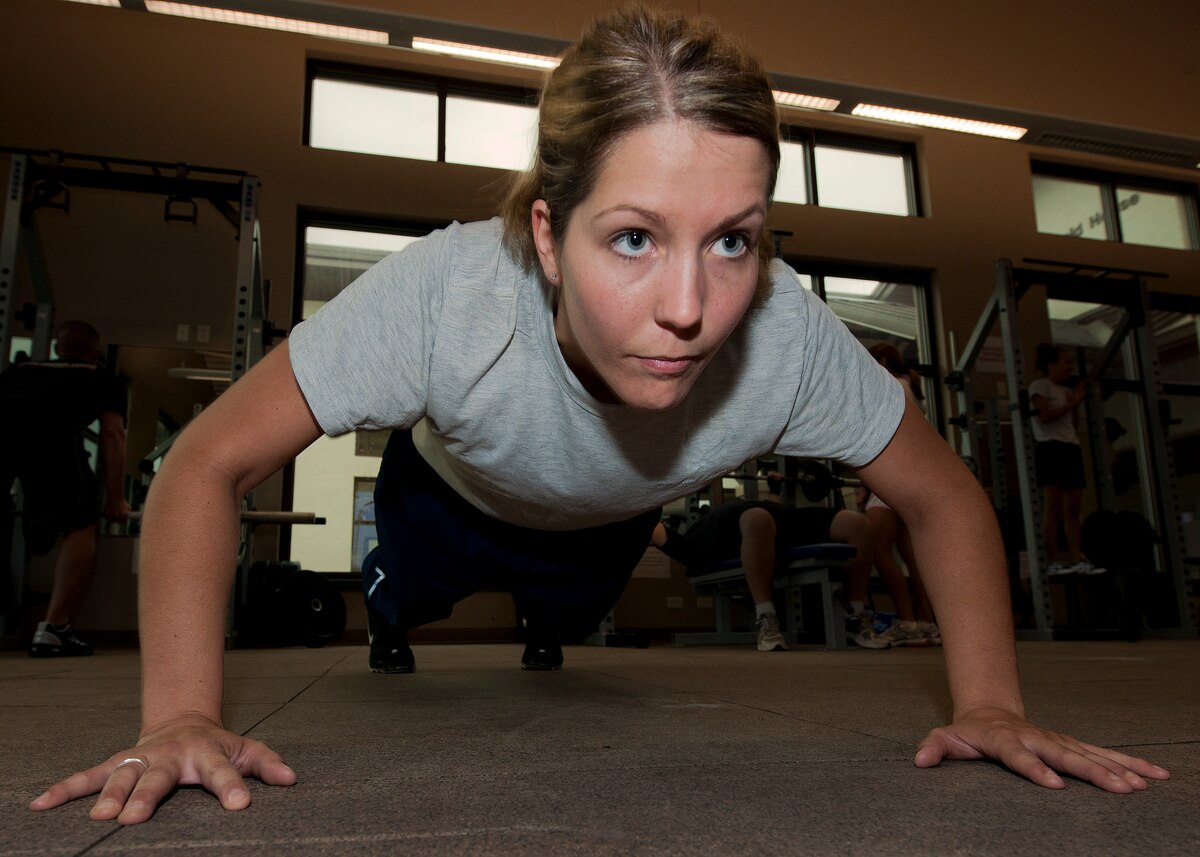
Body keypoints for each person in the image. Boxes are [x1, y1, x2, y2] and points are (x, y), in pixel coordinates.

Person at [30, 6, 1168, 826]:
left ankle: (547, 606)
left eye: (734, 237)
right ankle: (393, 617)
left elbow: (943, 493)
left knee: (560, 631)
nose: (690, 308)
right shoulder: (442, 296)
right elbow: (207, 463)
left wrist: (991, 700)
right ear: (542, 232)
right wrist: (178, 712)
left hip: (615, 513)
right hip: (453, 500)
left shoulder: (788, 335)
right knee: (408, 605)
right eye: (633, 237)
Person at [0, 320, 131, 657]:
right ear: (94, 351)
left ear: (58, 348)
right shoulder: (99, 376)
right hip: (51, 448)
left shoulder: (19, 370)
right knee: (82, 522)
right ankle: (55, 628)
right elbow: (113, 435)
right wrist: (115, 498)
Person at [650, 473, 873, 652]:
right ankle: (766, 617)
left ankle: (854, 616)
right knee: (757, 518)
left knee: (857, 523)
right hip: (754, 522)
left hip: (783, 518)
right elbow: (653, 531)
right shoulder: (694, 546)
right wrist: (633, 510)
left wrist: (774, 490)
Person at [855, 343, 940, 649]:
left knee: (876, 547)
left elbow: (877, 434)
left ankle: (908, 621)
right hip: (916, 476)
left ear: (879, 361)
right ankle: (927, 622)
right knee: (911, 556)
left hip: (895, 477)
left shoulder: (891, 384)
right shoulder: (912, 388)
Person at [1029, 343, 1101, 576]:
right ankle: (1053, 560)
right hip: (1050, 448)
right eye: (1066, 362)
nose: (1070, 367)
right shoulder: (1040, 386)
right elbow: (1045, 417)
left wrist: (1074, 401)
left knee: (1073, 508)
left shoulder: (1067, 391)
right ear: (1051, 365)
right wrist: (1075, 402)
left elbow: (1073, 424)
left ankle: (1077, 558)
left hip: (1071, 447)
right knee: (1054, 506)